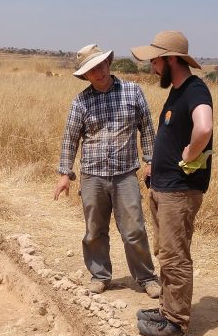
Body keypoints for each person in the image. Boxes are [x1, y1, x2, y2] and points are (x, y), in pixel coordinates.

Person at [54, 43, 161, 298]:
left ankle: (146, 277)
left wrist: (151, 160)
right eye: (92, 70)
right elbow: (71, 138)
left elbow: (146, 128)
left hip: (125, 174)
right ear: (85, 75)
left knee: (134, 229)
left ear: (108, 64)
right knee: (94, 230)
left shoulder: (133, 92)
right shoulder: (81, 102)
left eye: (100, 65)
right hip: (92, 175)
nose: (99, 72)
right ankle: (100, 275)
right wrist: (64, 174)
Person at [129, 30, 213, 336]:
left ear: (171, 59)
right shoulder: (178, 91)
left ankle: (176, 322)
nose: (152, 67)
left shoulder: (195, 90)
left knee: (175, 255)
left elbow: (204, 127)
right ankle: (167, 308)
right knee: (166, 252)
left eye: (155, 60)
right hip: (165, 187)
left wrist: (190, 152)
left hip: (179, 190)